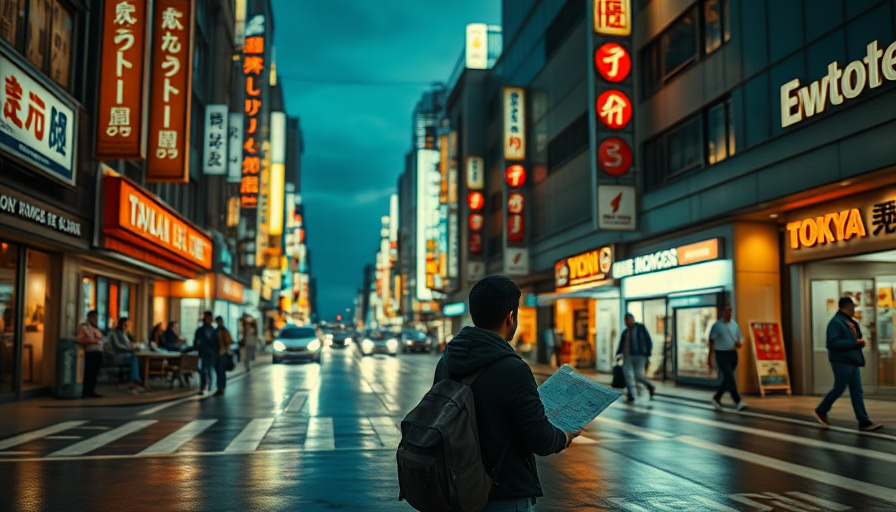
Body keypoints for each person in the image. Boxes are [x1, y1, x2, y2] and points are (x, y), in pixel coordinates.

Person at [433, 275, 580, 511]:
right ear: (511, 317)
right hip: (503, 493)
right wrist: (565, 435)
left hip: (457, 487)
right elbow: (541, 440)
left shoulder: (447, 362)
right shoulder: (513, 369)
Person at [814, 297, 884, 431]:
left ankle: (864, 421)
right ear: (845, 307)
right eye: (852, 307)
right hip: (842, 361)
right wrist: (855, 343)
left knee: (857, 391)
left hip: (852, 361)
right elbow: (832, 343)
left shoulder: (848, 322)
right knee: (839, 387)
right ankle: (822, 409)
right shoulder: (836, 323)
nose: (854, 310)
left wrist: (857, 341)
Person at [708, 305, 746, 411]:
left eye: (730, 310)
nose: (729, 312)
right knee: (730, 377)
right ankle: (737, 401)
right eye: (726, 310)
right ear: (723, 312)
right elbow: (711, 341)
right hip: (721, 354)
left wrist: (740, 343)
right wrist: (710, 357)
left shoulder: (734, 324)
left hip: (733, 353)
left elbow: (740, 338)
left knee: (728, 379)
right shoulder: (717, 326)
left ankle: (717, 397)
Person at [616, 313, 655, 403]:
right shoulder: (625, 332)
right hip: (627, 356)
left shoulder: (641, 328)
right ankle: (631, 394)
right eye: (626, 320)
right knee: (628, 374)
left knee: (639, 374)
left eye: (629, 319)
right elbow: (621, 344)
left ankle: (650, 386)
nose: (627, 322)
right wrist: (618, 354)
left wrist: (648, 354)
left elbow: (648, 341)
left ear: (633, 320)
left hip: (640, 355)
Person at [108, 317, 145, 394]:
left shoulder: (126, 334)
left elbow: (131, 342)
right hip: (117, 356)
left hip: (126, 354)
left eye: (127, 325)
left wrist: (133, 345)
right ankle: (136, 382)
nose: (126, 327)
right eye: (125, 325)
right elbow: (118, 345)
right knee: (134, 359)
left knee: (140, 360)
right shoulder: (114, 333)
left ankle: (139, 383)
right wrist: (130, 348)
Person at [76, 310, 104, 398]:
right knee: (89, 372)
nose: (96, 319)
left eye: (97, 318)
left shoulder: (96, 328)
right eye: (94, 318)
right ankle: (85, 391)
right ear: (90, 318)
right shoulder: (84, 327)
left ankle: (91, 390)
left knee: (95, 373)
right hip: (90, 352)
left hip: (98, 352)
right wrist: (91, 341)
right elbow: (80, 339)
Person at [194, 311, 220, 395]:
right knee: (203, 370)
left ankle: (210, 386)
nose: (208, 320)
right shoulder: (200, 330)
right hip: (203, 352)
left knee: (210, 370)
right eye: (207, 318)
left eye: (209, 318)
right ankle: (204, 386)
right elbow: (196, 341)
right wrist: (198, 347)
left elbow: (217, 343)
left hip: (212, 353)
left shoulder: (214, 330)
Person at [214, 316, 232, 395]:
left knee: (221, 371)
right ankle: (220, 387)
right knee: (219, 371)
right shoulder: (217, 330)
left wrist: (224, 349)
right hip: (217, 353)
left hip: (222, 353)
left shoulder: (224, 331)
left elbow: (228, 341)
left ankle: (221, 387)